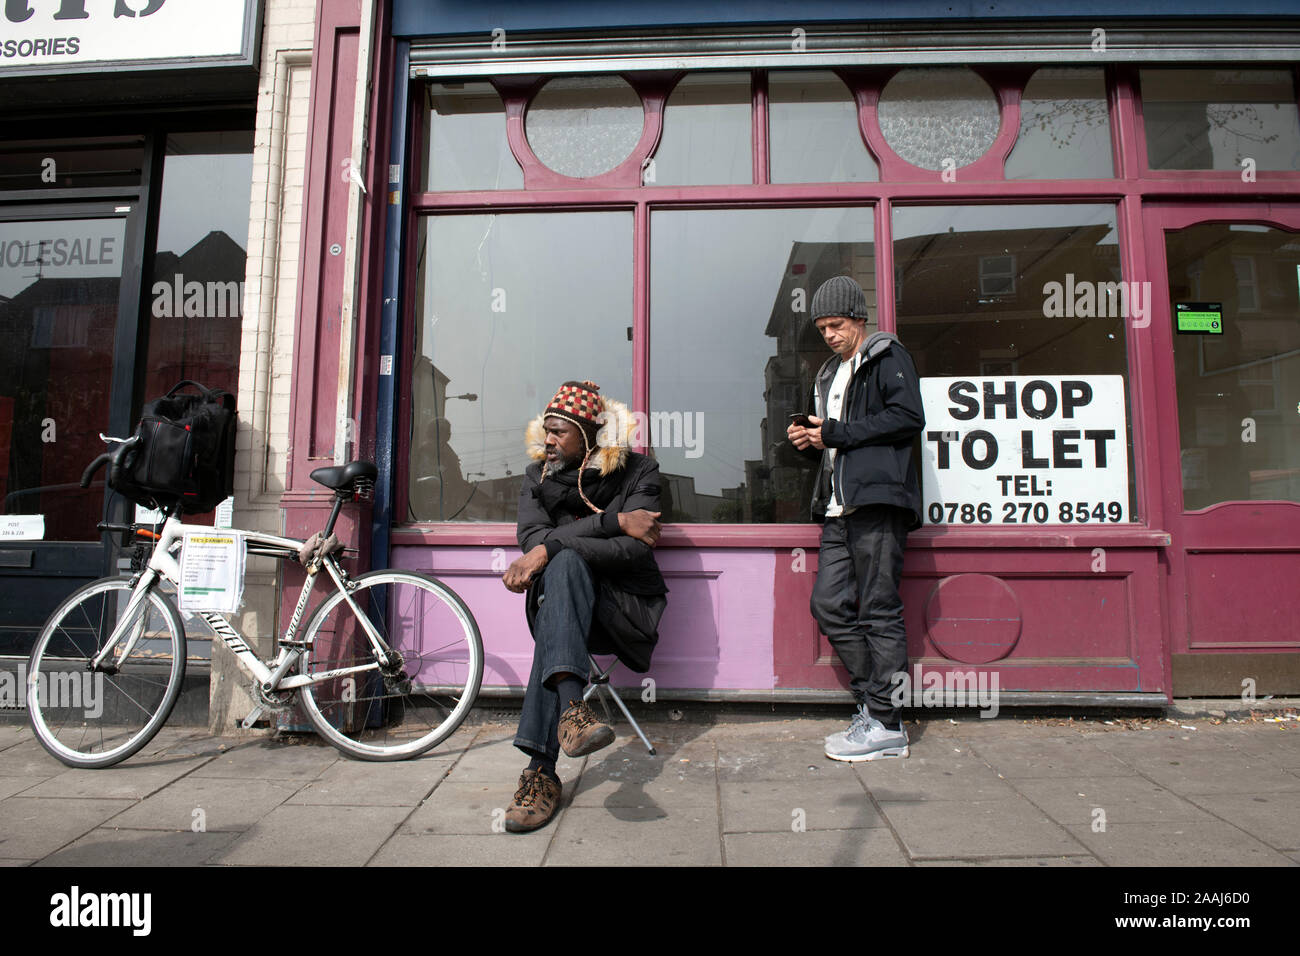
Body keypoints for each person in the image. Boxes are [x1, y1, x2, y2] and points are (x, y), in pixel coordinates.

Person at [500, 380, 668, 831]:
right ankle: (573, 712)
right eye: (546, 431)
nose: (548, 441)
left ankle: (540, 773)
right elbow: (532, 540)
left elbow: (634, 549)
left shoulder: (640, 471)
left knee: (563, 564)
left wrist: (553, 549)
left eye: (558, 432)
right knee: (564, 571)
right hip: (560, 610)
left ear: (589, 433)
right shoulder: (536, 477)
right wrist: (615, 521)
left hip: (621, 611)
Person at [786, 275, 925, 762]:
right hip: (837, 508)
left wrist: (836, 432)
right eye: (822, 328)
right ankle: (875, 704)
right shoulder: (828, 373)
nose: (829, 334)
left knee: (879, 610)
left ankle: (887, 724)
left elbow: (907, 417)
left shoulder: (886, 356)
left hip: (877, 503)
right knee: (827, 605)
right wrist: (809, 440)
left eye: (836, 325)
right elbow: (835, 439)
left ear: (858, 318)